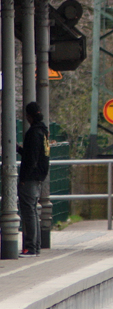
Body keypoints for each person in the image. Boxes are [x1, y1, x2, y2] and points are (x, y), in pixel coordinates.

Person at [17, 101, 49, 257]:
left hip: (30, 177)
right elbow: (34, 154)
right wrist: (19, 149)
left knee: (29, 212)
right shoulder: (43, 131)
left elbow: (31, 158)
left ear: (28, 116)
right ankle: (35, 247)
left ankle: (30, 247)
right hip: (39, 176)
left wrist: (24, 177)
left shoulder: (33, 133)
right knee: (33, 211)